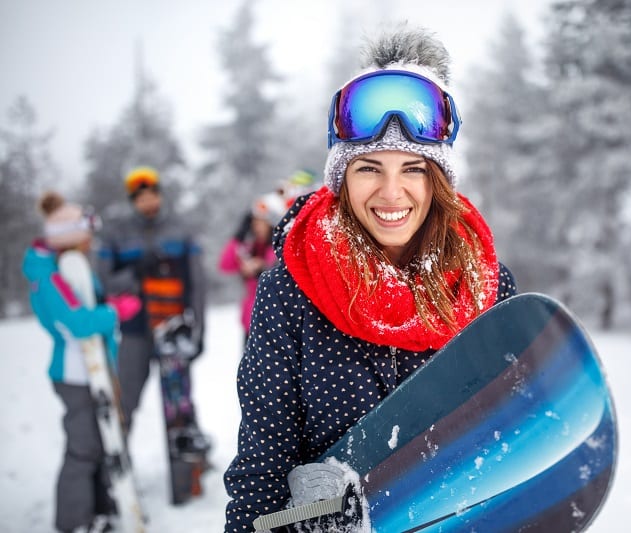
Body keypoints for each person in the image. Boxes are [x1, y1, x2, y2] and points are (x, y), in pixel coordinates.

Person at [223, 25, 517, 532]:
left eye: (414, 169)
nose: (391, 192)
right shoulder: (293, 288)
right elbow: (261, 470)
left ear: (439, 179)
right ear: (341, 176)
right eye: (368, 168)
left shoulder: (485, 286)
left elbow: (516, 440)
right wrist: (308, 514)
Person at [22, 191, 140, 533]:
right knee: (83, 447)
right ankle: (74, 521)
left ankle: (101, 510)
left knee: (103, 442)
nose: (91, 242)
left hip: (93, 371)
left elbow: (85, 304)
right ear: (70, 236)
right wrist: (115, 311)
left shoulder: (64, 266)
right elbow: (76, 323)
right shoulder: (50, 274)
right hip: (75, 374)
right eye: (86, 234)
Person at [95, 166, 209, 450]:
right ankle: (117, 463)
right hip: (134, 330)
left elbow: (197, 283)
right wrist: (134, 274)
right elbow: (102, 281)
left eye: (152, 195)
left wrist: (198, 331)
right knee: (127, 396)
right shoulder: (117, 233)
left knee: (178, 403)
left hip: (174, 328)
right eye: (140, 197)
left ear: (159, 195)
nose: (147, 202)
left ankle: (186, 473)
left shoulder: (181, 230)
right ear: (133, 200)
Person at [217, 193, 280, 343]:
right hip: (250, 322)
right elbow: (225, 265)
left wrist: (262, 268)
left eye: (262, 222)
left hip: (273, 323)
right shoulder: (248, 248)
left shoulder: (278, 249)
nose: (256, 227)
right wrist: (238, 236)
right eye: (254, 222)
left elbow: (278, 270)